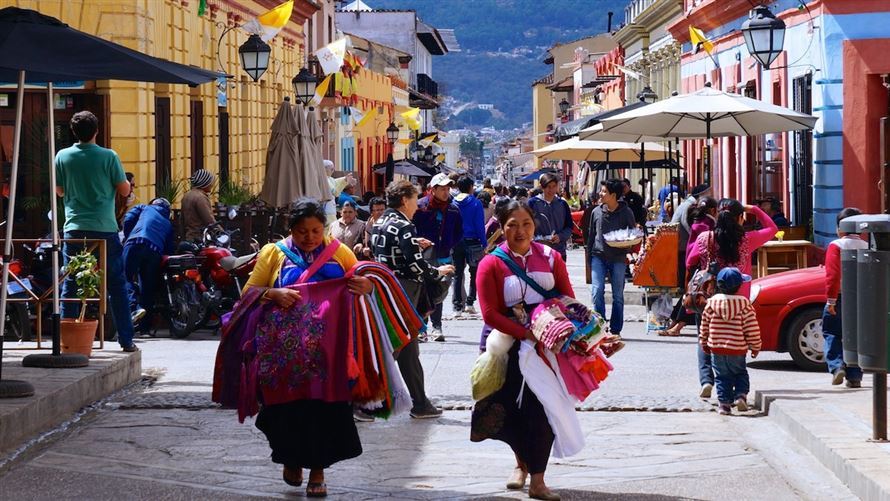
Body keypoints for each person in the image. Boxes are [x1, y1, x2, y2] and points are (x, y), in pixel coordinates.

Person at [242, 198, 373, 496]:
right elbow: (249, 292)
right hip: (283, 358)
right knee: (284, 413)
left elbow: (363, 281)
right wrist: (273, 293)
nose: (310, 238)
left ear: (324, 229)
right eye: (302, 231)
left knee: (323, 414)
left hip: (329, 357)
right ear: (291, 229)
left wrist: (366, 286)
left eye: (315, 231)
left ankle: (318, 472)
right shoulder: (273, 254)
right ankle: (291, 459)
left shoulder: (339, 253)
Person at [471, 199, 575, 501]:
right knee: (512, 412)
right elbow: (490, 313)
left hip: (546, 347)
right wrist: (528, 332)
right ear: (502, 228)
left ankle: (539, 480)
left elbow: (567, 298)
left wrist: (551, 328)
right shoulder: (491, 263)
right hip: (506, 346)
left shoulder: (552, 258)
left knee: (542, 410)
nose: (520, 231)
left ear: (535, 225)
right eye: (512, 225)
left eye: (526, 224)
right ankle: (520, 465)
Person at [54, 111, 137, 352]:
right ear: (97, 131)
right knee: (116, 285)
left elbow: (59, 191)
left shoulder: (63, 156)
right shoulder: (109, 156)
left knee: (70, 283)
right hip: (104, 228)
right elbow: (124, 191)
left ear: (73, 131)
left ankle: (66, 343)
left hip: (74, 229)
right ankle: (126, 340)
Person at [372, 180, 454, 418]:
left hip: (384, 290)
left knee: (407, 347)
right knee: (395, 347)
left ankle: (420, 403)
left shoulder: (381, 222)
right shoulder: (405, 225)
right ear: (405, 199)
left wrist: (414, 244)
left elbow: (387, 252)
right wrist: (438, 272)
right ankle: (364, 402)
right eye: (415, 199)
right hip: (404, 292)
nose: (417, 205)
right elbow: (415, 266)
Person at [686, 199, 776, 399]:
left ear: (717, 216)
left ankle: (707, 380)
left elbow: (690, 262)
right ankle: (739, 390)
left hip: (708, 298)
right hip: (739, 302)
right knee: (738, 341)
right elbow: (773, 228)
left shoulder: (704, 238)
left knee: (705, 337)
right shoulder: (747, 240)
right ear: (740, 218)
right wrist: (754, 209)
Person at [699, 267, 761, 415]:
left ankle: (724, 405)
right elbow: (751, 327)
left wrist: (704, 342)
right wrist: (755, 346)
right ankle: (740, 396)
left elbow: (704, 325)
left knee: (721, 377)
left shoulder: (711, 303)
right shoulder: (744, 304)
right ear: (739, 286)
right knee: (740, 373)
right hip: (737, 349)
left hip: (717, 349)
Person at [412, 173, 463, 342]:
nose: (446, 192)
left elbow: (458, 232)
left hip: (443, 256)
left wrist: (448, 244)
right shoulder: (420, 207)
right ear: (432, 190)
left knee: (438, 291)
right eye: (442, 189)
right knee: (422, 290)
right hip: (424, 257)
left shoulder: (453, 209)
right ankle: (422, 327)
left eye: (448, 189)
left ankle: (437, 326)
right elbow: (412, 230)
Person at [822, 207, 867, 388]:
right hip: (861, 299)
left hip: (840, 297)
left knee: (831, 332)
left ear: (839, 228)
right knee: (855, 336)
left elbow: (832, 276)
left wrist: (831, 301)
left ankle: (837, 365)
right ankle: (855, 376)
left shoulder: (836, 246)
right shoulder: (866, 246)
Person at [586, 179, 636, 340]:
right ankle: (600, 326)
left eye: (603, 191)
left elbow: (632, 234)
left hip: (618, 258)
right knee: (597, 290)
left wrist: (628, 250)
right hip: (598, 256)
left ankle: (615, 329)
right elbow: (591, 235)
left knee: (618, 295)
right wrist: (589, 258)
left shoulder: (626, 212)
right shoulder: (596, 212)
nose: (600, 194)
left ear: (613, 195)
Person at [663, 196, 718, 337]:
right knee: (695, 295)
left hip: (691, 260)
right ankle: (677, 327)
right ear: (713, 210)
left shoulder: (698, 221)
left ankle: (674, 323)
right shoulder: (707, 225)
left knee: (689, 293)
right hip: (699, 263)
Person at [122, 198, 176, 336]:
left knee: (125, 277)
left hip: (134, 243)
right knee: (147, 287)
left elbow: (128, 218)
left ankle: (134, 307)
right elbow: (169, 248)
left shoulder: (144, 207)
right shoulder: (168, 223)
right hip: (154, 250)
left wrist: (129, 235)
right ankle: (145, 328)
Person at [452, 176, 486, 318]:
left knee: (458, 274)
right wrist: (484, 243)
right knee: (474, 273)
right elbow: (479, 225)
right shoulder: (476, 203)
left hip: (457, 241)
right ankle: (470, 303)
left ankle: (457, 306)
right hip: (473, 241)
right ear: (471, 187)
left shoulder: (453, 203)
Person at [527, 173, 573, 261]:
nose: (551, 189)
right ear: (542, 187)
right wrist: (536, 238)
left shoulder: (562, 204)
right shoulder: (532, 203)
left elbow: (569, 227)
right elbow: (527, 225)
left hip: (559, 251)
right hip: (539, 251)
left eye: (554, 186)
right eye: (548, 186)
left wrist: (560, 236)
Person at [181, 169, 217, 242]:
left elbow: (182, 219)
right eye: (210, 182)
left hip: (188, 237)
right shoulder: (201, 198)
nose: (211, 185)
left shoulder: (187, 195)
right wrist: (220, 232)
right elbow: (209, 220)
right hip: (199, 238)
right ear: (205, 183)